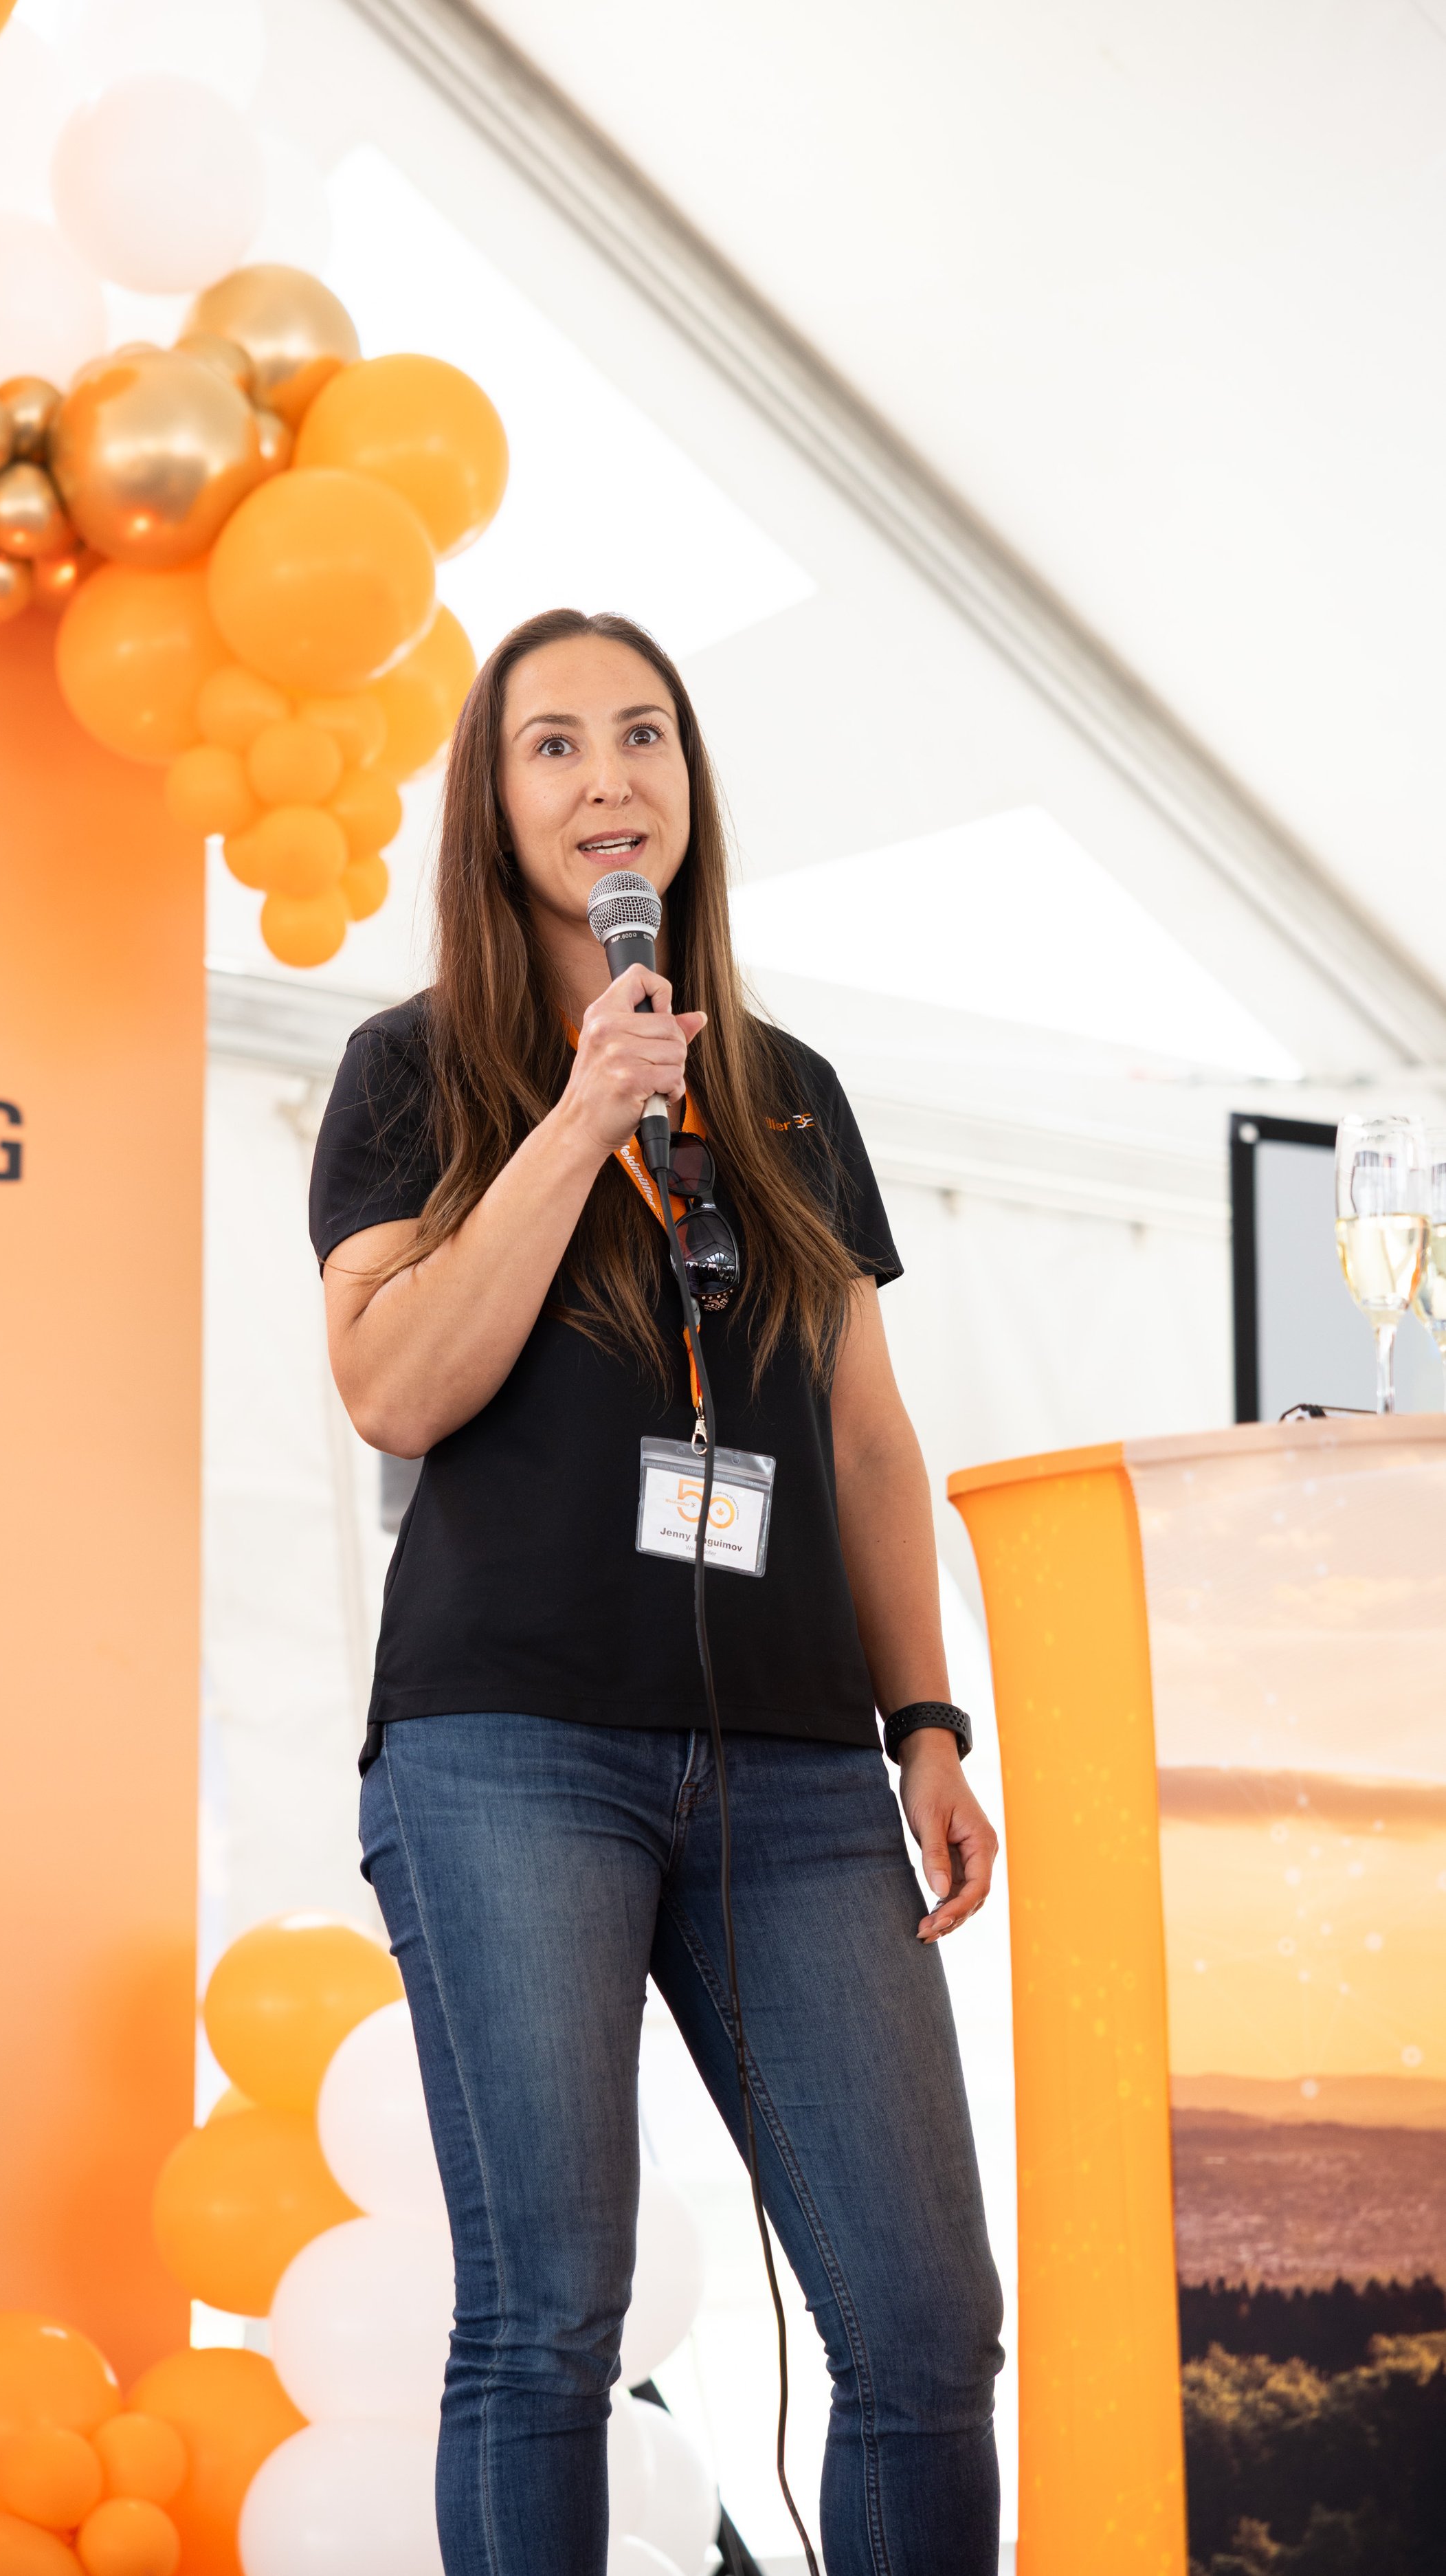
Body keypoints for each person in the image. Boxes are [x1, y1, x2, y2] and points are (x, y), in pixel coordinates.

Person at [310, 607, 1003, 2576]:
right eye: (551, 744)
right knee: (546, 2320)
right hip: (505, 1748)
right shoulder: (411, 1074)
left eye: (642, 735)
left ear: (689, 788)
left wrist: (924, 1722)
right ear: (492, 799)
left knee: (926, 2326)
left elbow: (863, 1440)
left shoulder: (788, 1089)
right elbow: (395, 1380)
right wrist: (574, 1119)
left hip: (795, 1770)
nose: (605, 776)